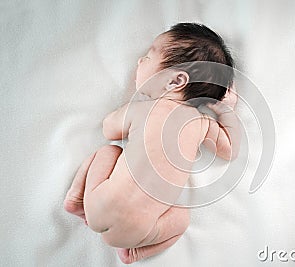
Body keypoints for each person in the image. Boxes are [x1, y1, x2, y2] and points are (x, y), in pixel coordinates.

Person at [64, 23, 240, 264]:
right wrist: (227, 110)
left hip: (97, 204)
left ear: (175, 81)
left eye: (147, 57)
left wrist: (124, 114)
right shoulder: (202, 124)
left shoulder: (144, 110)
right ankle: (135, 253)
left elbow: (108, 129)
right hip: (137, 233)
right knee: (183, 220)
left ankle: (75, 199)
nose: (139, 62)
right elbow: (230, 151)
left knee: (110, 150)